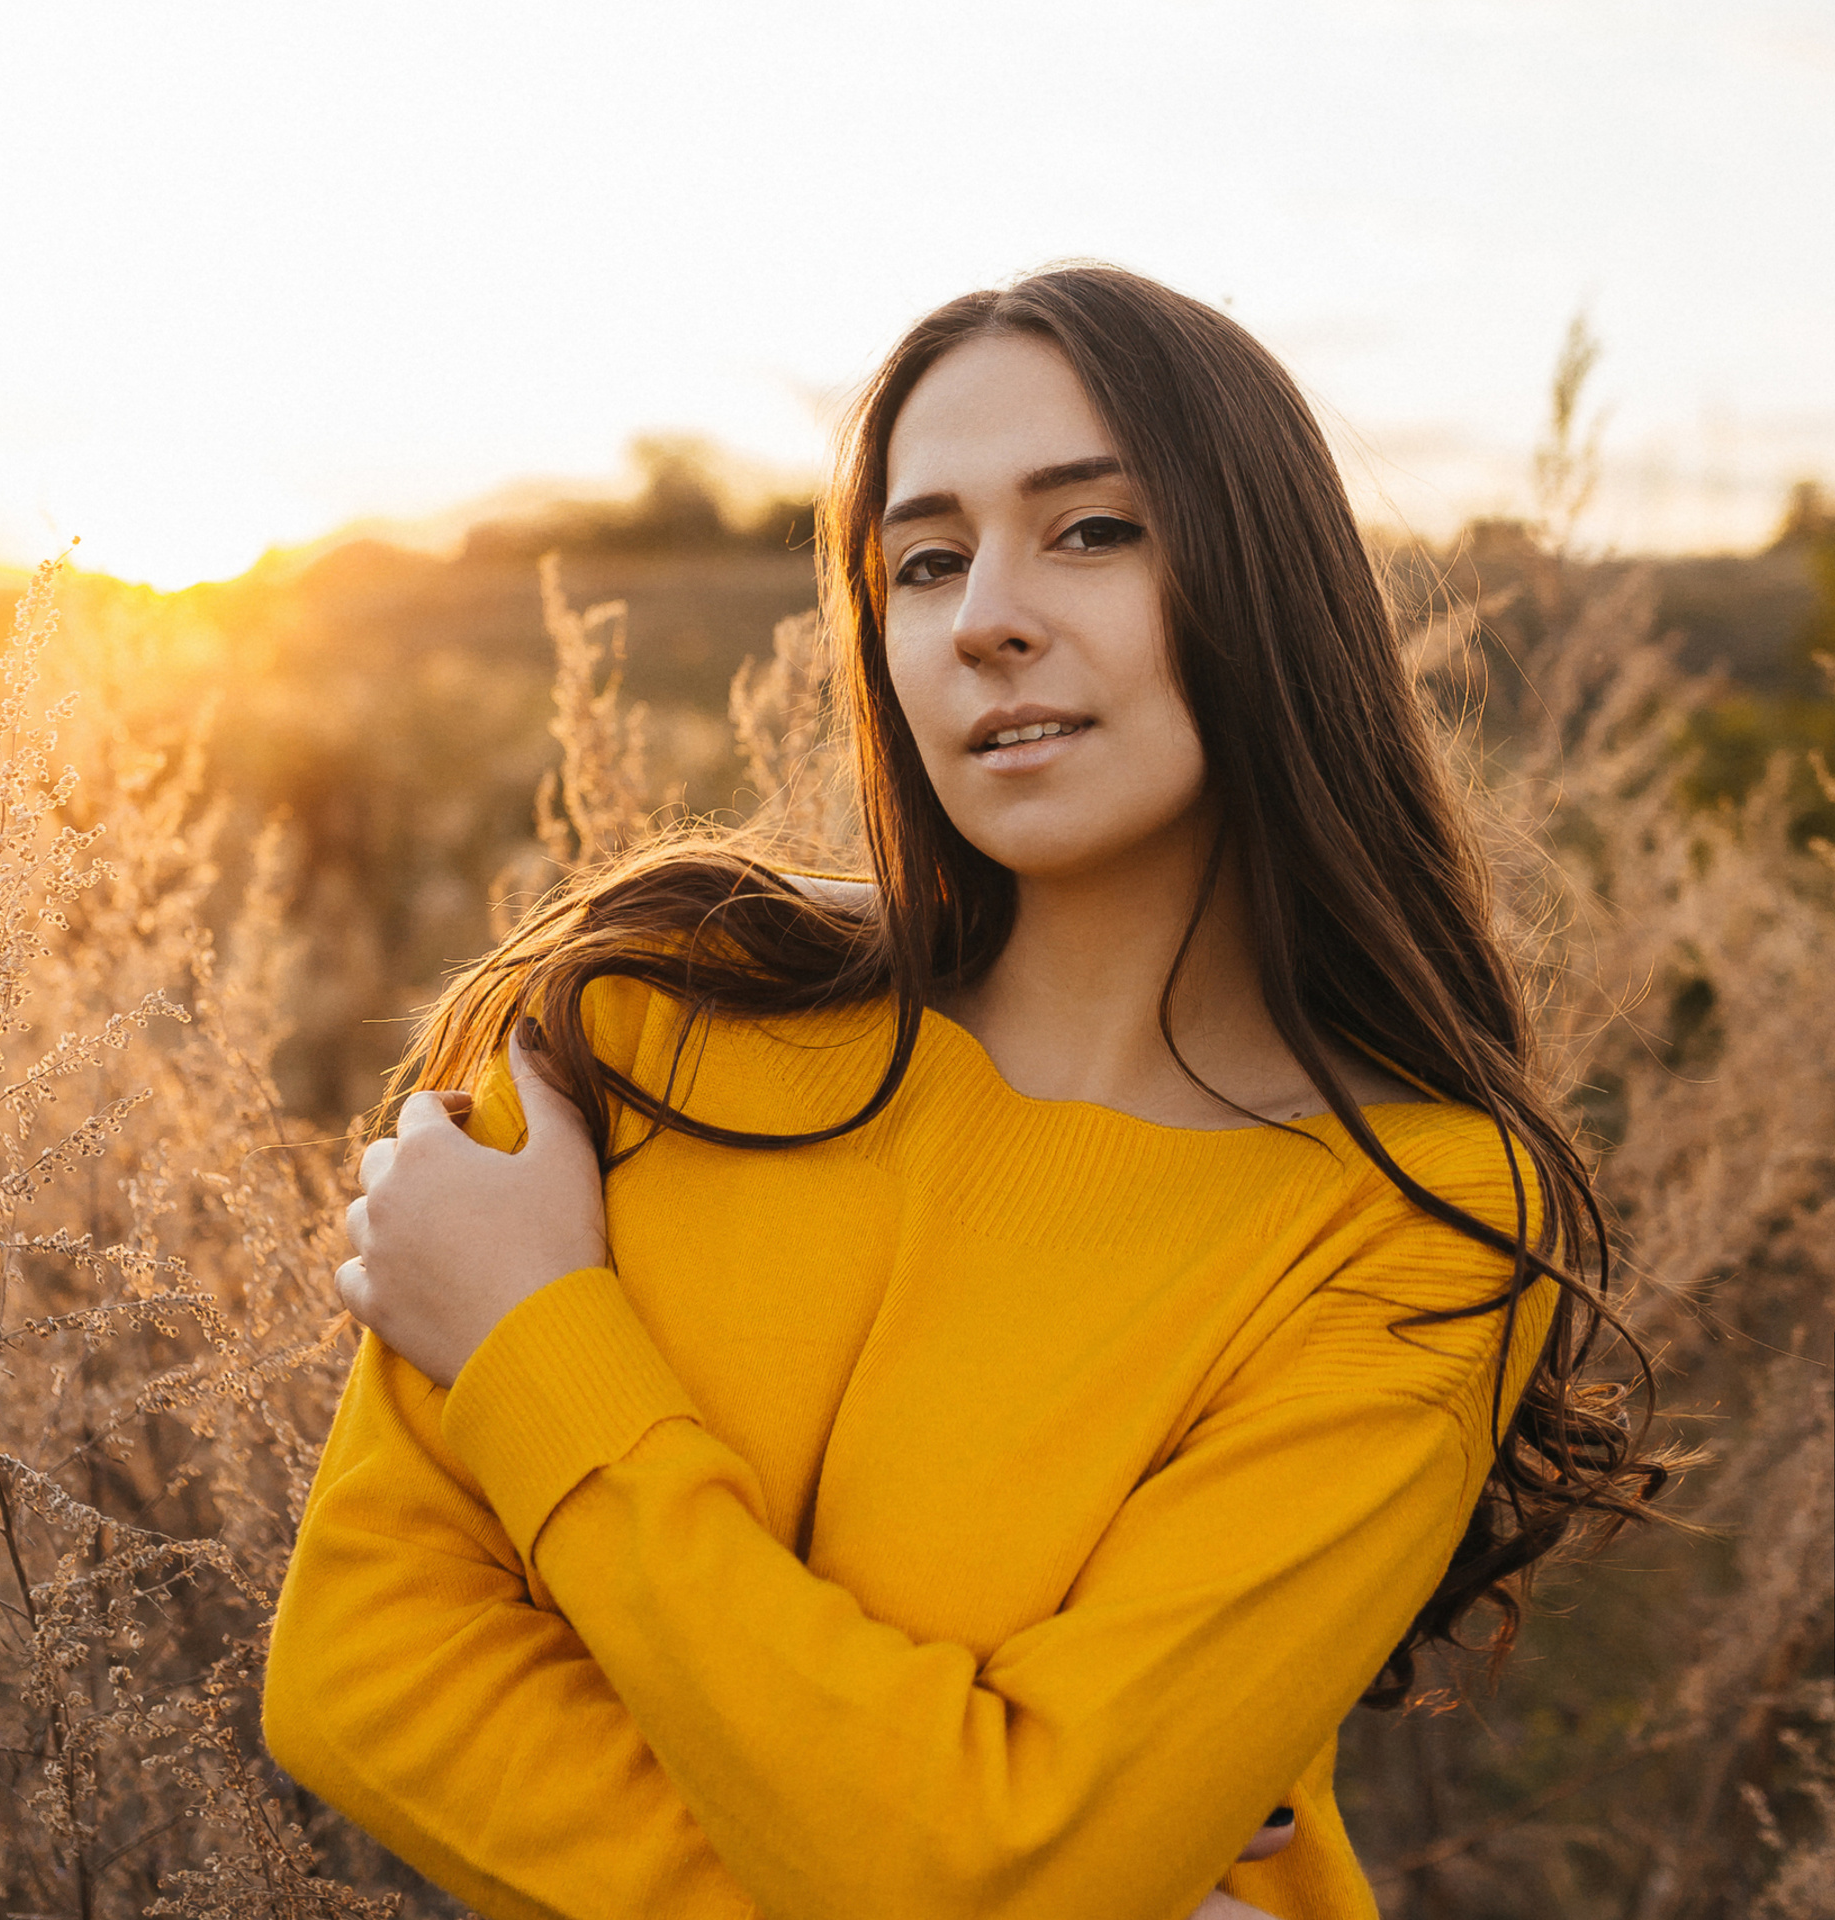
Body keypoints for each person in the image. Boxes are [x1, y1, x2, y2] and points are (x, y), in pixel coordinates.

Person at [262, 264, 1668, 1919]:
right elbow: (360, 1673)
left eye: (1093, 531)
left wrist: (534, 1347)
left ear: (1267, 588)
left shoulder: (1414, 1221)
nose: (986, 612)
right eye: (924, 561)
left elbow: (1010, 1870)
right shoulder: (631, 1025)